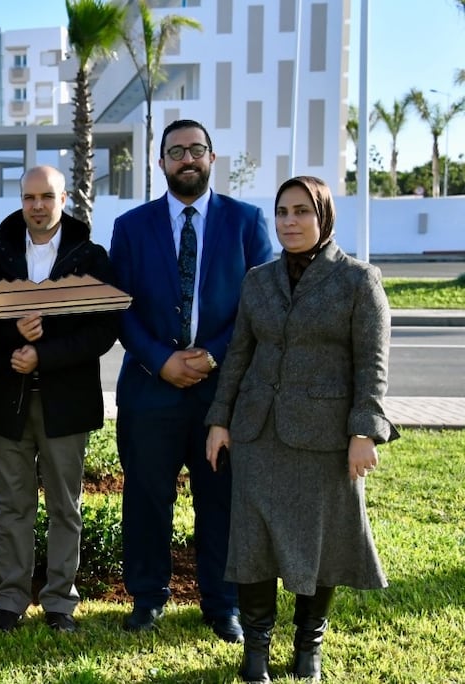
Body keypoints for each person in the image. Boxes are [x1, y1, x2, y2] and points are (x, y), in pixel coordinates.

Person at [205, 176, 396, 683]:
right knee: (253, 545)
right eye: (282, 212)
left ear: (324, 216)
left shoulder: (359, 280)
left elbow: (371, 366)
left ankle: (309, 644)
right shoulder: (258, 280)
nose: (290, 222)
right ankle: (256, 652)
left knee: (320, 542)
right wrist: (220, 421)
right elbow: (239, 356)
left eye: (301, 211)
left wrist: (365, 432)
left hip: (324, 437)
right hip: (257, 434)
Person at [109, 119, 272, 642]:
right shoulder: (131, 227)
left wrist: (214, 356)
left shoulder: (246, 221)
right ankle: (148, 597)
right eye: (175, 151)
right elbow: (121, 308)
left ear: (211, 157)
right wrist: (162, 360)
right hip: (150, 388)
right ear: (160, 162)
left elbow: (260, 304)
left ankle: (221, 604)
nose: (187, 159)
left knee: (219, 500)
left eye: (195, 150)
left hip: (221, 395)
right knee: (146, 498)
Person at [0, 165, 118, 633]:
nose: (37, 206)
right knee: (12, 506)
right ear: (20, 200)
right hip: (9, 400)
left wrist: (44, 354)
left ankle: (60, 603)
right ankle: (10, 601)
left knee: (66, 507)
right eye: (29, 197)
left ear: (64, 199)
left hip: (67, 401)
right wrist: (12, 332)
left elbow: (104, 330)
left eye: (46, 196)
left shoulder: (90, 257)